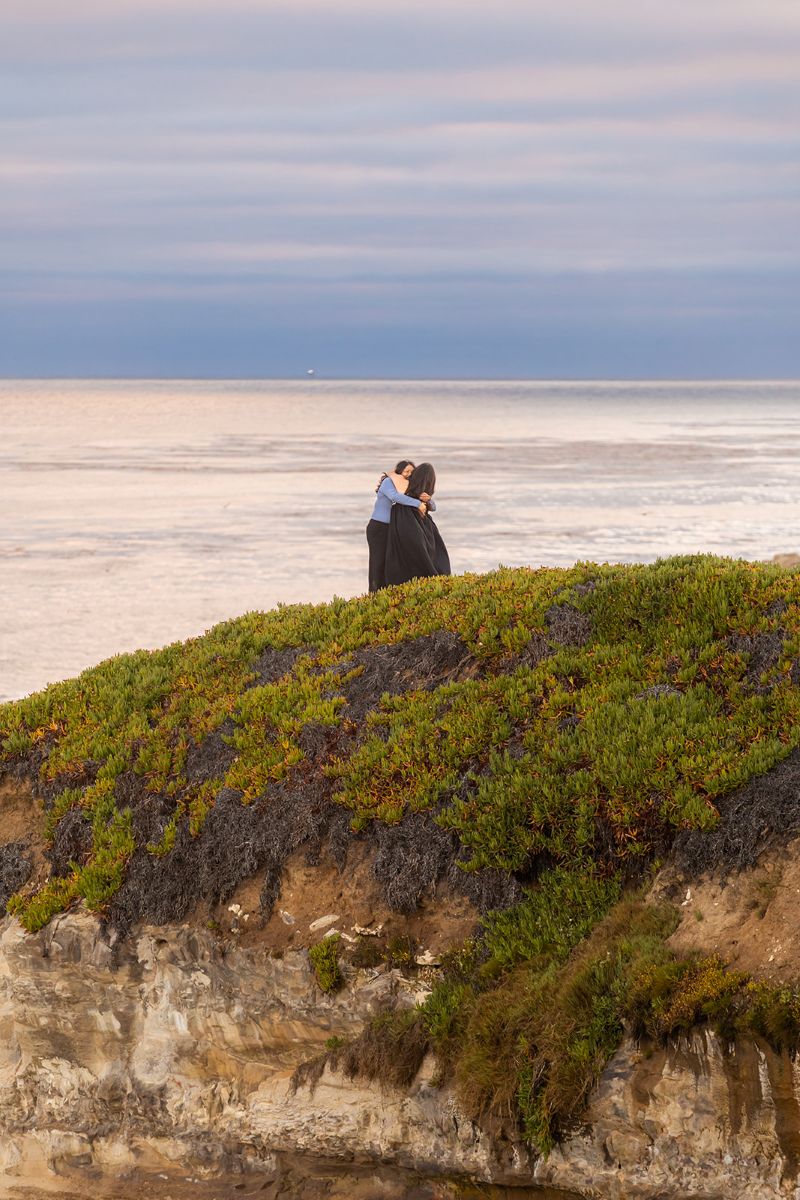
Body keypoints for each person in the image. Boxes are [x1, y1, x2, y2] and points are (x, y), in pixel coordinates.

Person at [366, 460, 432, 592]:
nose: (408, 474)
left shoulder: (408, 486)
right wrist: (418, 503)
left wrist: (428, 500)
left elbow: (433, 506)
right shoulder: (388, 482)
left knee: (391, 563)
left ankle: (388, 592)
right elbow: (395, 497)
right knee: (378, 562)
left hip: (394, 529)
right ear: (399, 471)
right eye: (406, 471)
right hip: (379, 527)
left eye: (412, 472)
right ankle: (373, 594)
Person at [385, 463, 450, 586]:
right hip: (411, 578)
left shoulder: (412, 506)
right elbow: (416, 546)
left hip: (402, 578)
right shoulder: (407, 508)